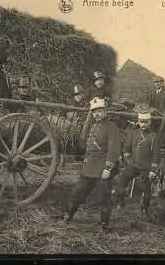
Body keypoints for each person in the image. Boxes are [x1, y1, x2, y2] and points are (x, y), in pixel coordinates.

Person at [63, 97, 121, 230]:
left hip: (102, 169)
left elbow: (114, 148)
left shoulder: (111, 127)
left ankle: (104, 225)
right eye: (94, 112)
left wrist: (108, 168)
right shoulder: (93, 126)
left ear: (105, 111)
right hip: (89, 168)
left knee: (104, 198)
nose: (96, 114)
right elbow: (89, 147)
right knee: (77, 193)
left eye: (99, 111)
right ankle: (68, 216)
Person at [114, 106, 158, 218]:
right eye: (142, 122)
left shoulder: (154, 136)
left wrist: (153, 170)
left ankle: (145, 209)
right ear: (138, 122)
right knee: (120, 181)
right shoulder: (133, 133)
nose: (144, 124)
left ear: (150, 122)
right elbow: (126, 149)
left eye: (146, 122)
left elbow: (156, 155)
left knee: (147, 188)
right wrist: (128, 160)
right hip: (133, 165)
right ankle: (120, 203)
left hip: (146, 167)